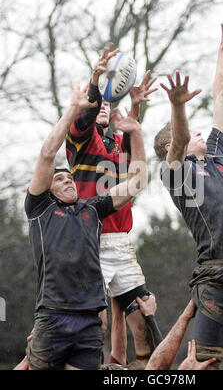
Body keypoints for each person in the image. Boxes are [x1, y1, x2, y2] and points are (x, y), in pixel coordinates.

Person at [154, 13, 223, 370]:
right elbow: (178, 145)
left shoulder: (218, 154)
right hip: (217, 280)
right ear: (177, 143)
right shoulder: (177, 176)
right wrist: (177, 106)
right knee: (200, 367)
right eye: (189, 134)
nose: (200, 134)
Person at [23, 80, 147, 370]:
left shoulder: (92, 209)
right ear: (48, 191)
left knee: (136, 316)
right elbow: (46, 155)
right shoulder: (40, 210)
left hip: (87, 321)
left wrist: (137, 128)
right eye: (60, 179)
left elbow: (137, 181)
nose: (68, 180)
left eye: (70, 178)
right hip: (53, 315)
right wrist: (75, 107)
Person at [66, 42, 160, 365]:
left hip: (120, 243)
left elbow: (137, 170)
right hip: (89, 240)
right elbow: (88, 113)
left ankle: (134, 370)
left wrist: (134, 109)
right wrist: (95, 84)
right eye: (98, 105)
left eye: (107, 103)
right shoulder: (81, 138)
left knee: (144, 319)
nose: (103, 106)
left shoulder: (119, 142)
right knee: (96, 323)